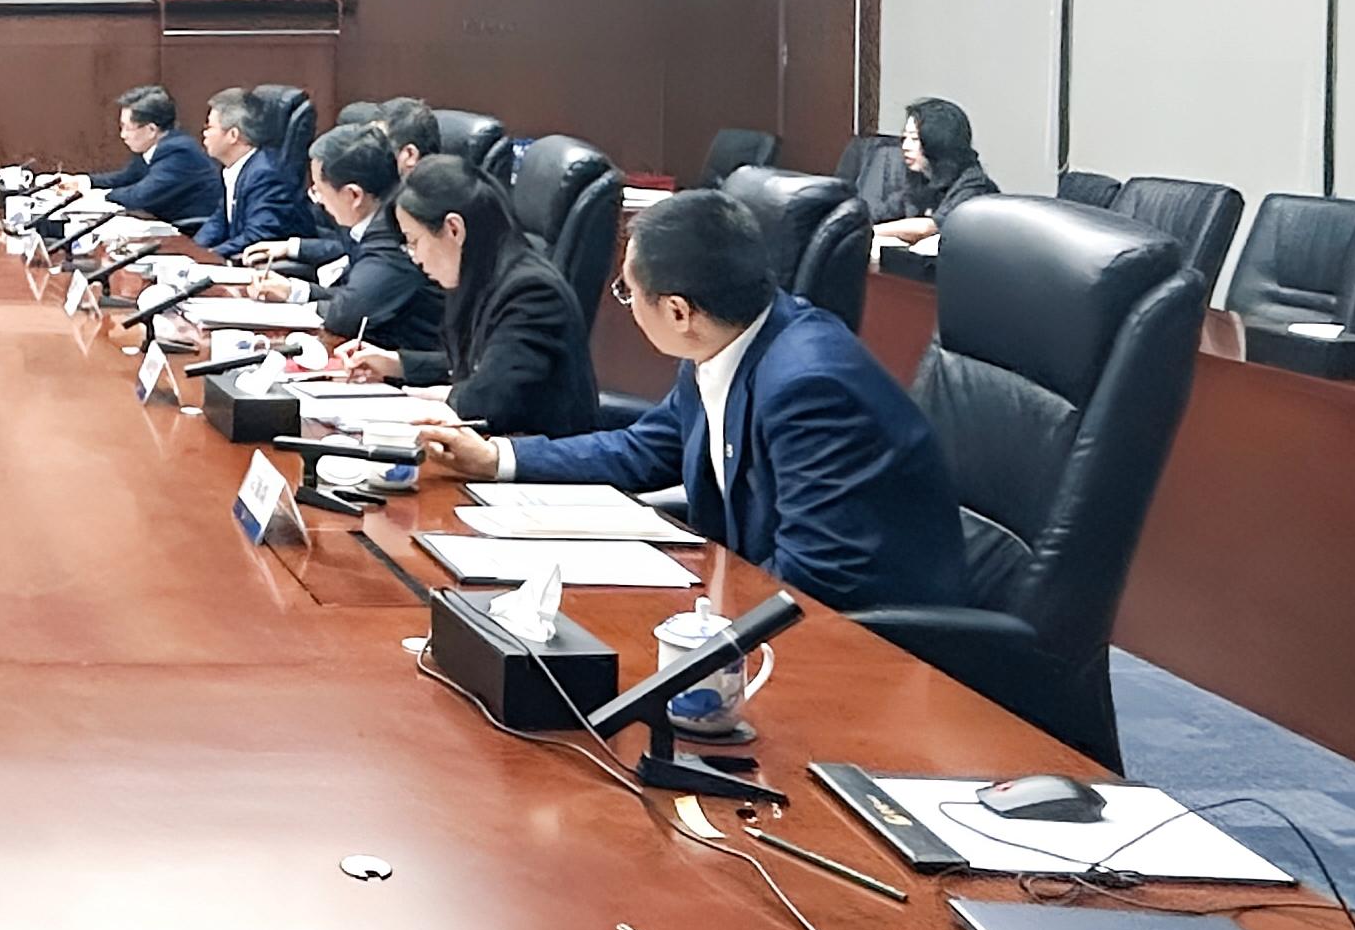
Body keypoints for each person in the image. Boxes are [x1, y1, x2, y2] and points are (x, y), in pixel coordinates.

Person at [417, 189, 969, 613]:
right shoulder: (729, 340)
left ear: (679, 312)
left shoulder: (808, 385)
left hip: (881, 652)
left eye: (628, 292)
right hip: (767, 599)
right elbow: (646, 449)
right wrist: (497, 459)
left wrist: (693, 613)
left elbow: (814, 578)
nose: (627, 303)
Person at [333, 157, 597, 437]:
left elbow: (490, 400)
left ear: (454, 229)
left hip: (532, 454)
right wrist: (397, 364)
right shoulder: (483, 275)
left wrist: (432, 396)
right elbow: (480, 364)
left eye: (413, 241)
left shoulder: (531, 292)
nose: (415, 258)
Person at [245, 124, 442, 352]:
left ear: (353, 195)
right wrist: (294, 291)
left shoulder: (393, 229)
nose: (318, 201)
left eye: (319, 190)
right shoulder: (375, 216)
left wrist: (294, 308)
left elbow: (347, 315)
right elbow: (357, 292)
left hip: (411, 360)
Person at [59, 85, 216, 226]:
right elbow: (125, 178)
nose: (123, 135)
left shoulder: (179, 153)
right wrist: (83, 182)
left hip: (192, 234)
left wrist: (93, 195)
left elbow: (140, 196)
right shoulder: (155, 147)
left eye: (128, 128)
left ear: (151, 130)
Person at [190, 86, 307, 255]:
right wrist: (192, 252)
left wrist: (210, 255)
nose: (204, 133)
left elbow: (258, 236)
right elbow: (220, 221)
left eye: (209, 127)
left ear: (233, 135)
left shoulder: (266, 174)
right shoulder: (238, 167)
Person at [872, 96, 999, 246]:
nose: (905, 146)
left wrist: (871, 231)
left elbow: (927, 228)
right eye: (905, 138)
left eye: (915, 139)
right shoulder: (920, 176)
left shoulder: (973, 184)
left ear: (939, 142)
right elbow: (885, 210)